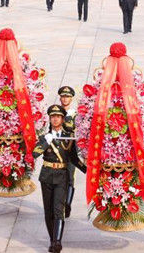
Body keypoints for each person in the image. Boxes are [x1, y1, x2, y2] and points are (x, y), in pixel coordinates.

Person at [32, 104, 86, 252]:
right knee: (48, 211)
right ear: (50, 119)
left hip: (62, 176)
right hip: (47, 176)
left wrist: (88, 171)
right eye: (53, 117)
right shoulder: (44, 137)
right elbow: (34, 154)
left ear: (62, 119)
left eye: (58, 117)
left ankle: (57, 242)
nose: (55, 119)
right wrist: (45, 142)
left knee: (58, 210)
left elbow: (75, 159)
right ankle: (52, 239)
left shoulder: (68, 138)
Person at [57, 85, 77, 217]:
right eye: (63, 97)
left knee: (70, 176)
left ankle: (67, 204)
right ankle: (59, 203)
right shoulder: (55, 112)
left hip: (70, 149)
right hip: (57, 149)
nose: (65, 99)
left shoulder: (75, 114)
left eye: (68, 97)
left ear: (71, 98)